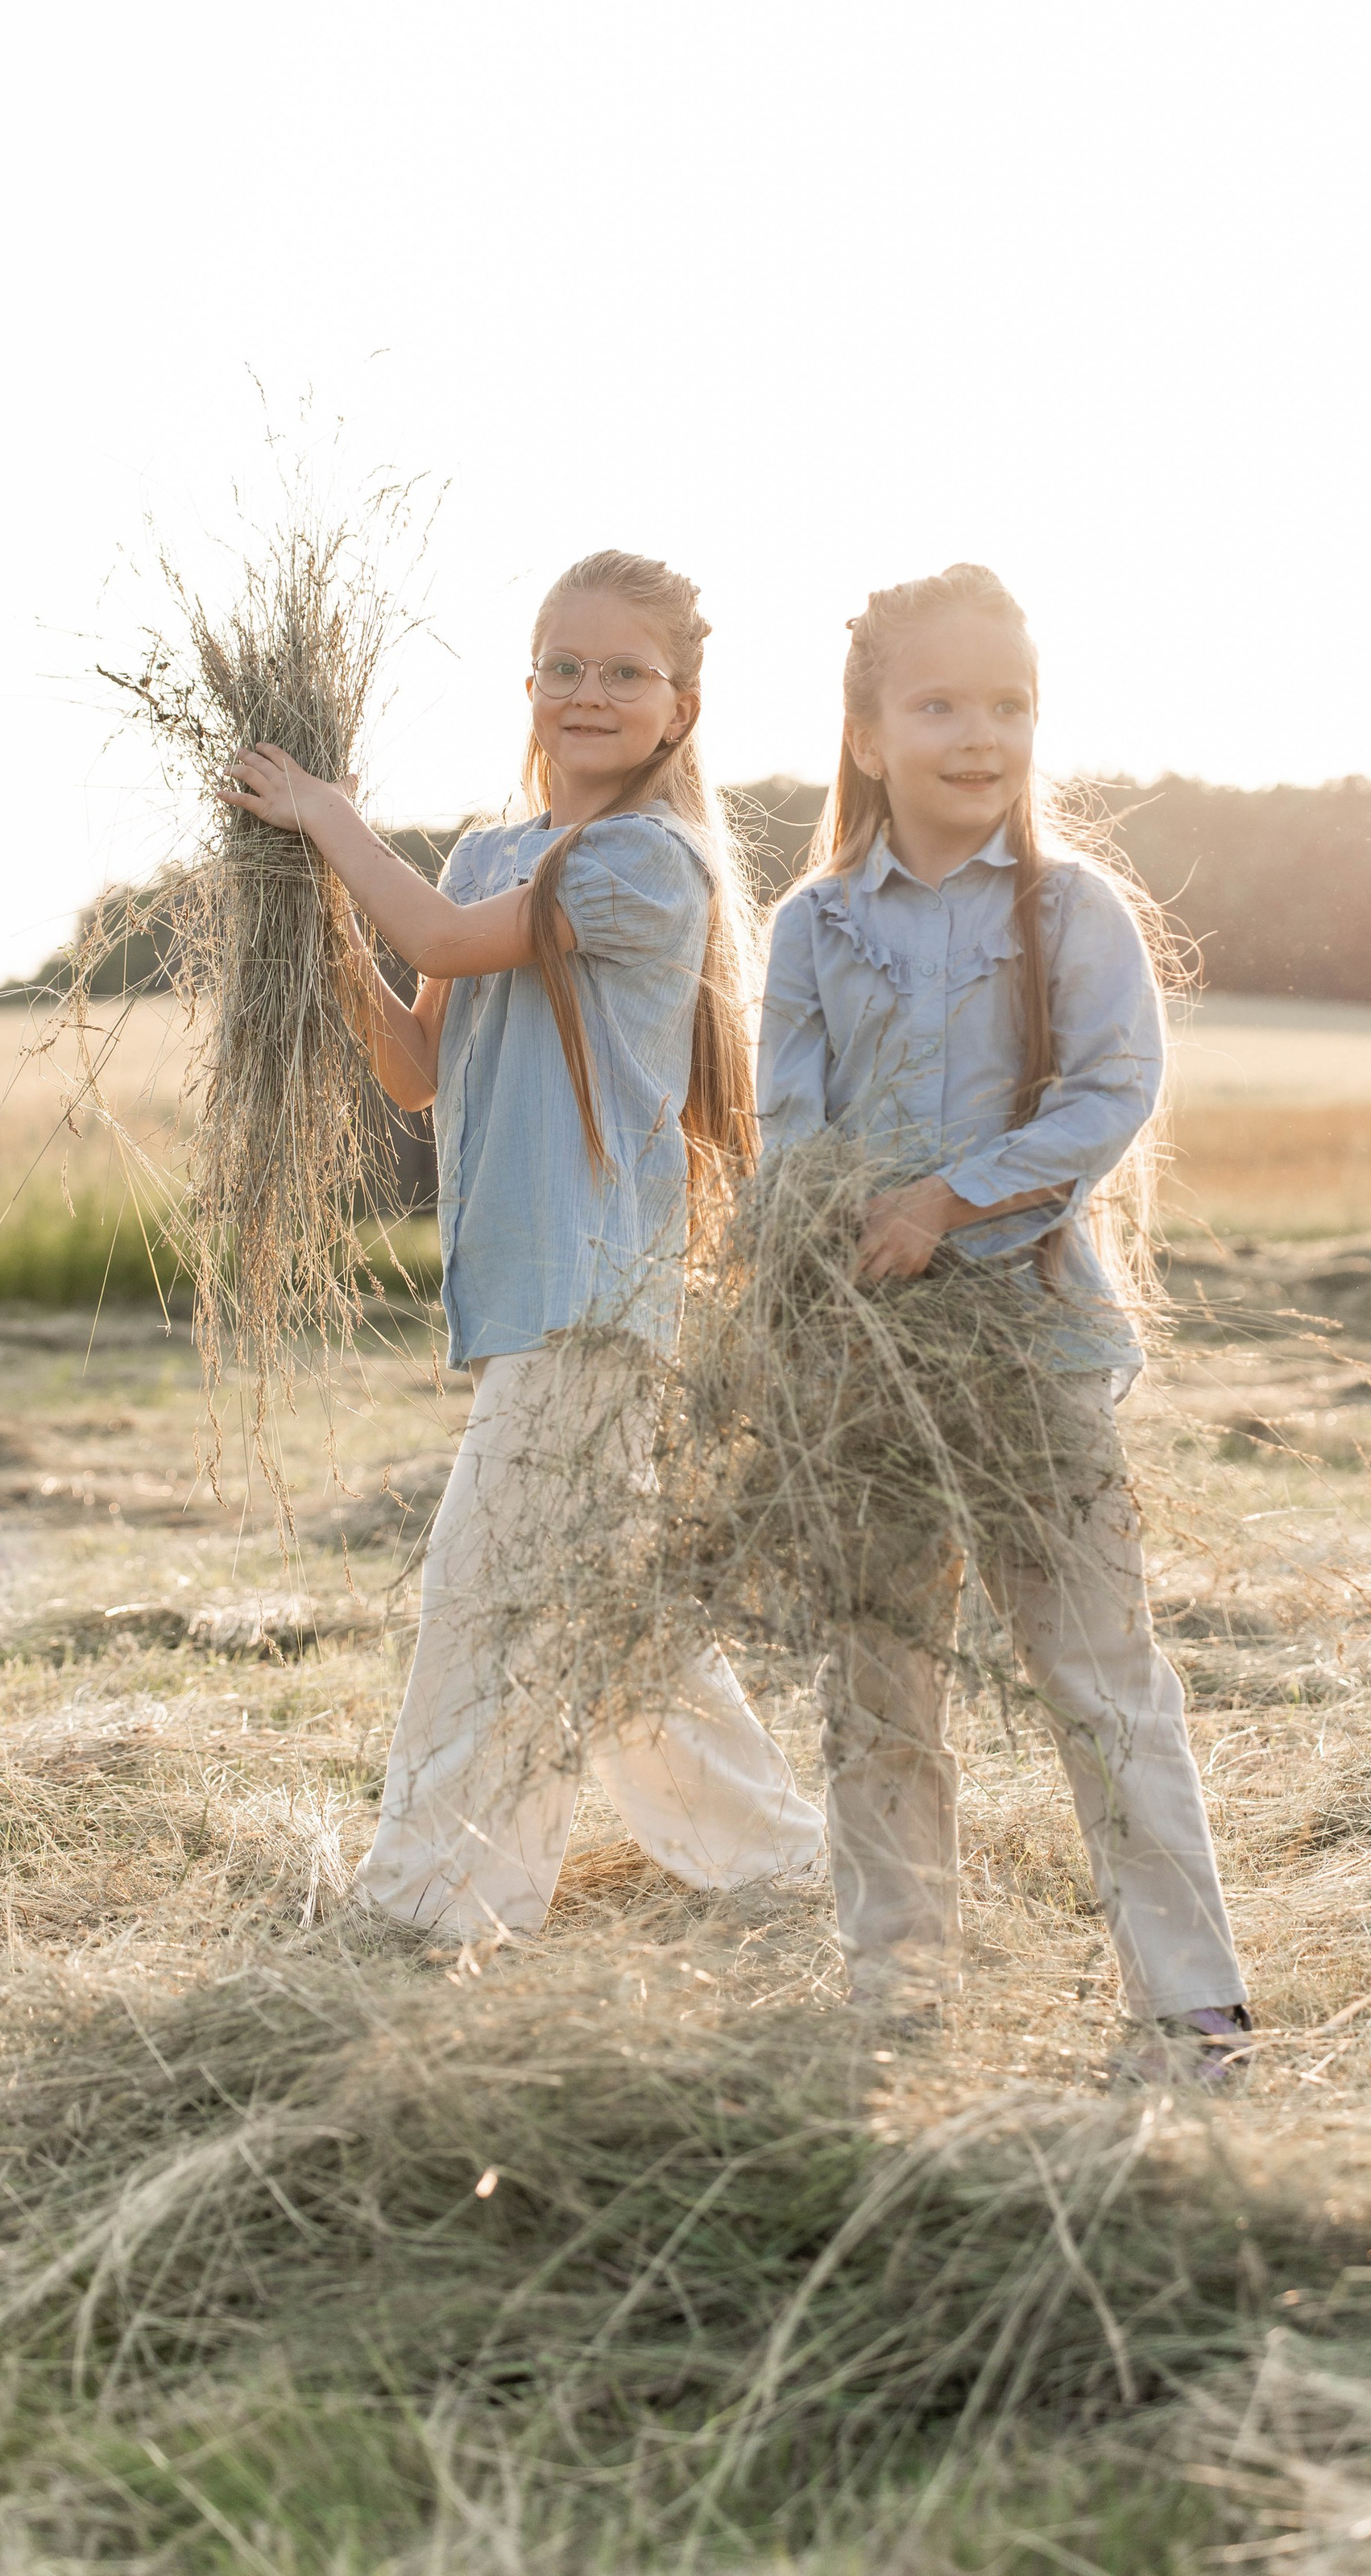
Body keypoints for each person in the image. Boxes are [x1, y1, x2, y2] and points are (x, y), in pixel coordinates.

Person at [224, 548, 824, 1938]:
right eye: (565, 667)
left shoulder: (647, 867)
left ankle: (432, 1908)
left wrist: (325, 818)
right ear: (532, 685)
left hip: (597, 1292)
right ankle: (783, 1867)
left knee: (482, 1594)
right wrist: (306, 915)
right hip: (520, 1283)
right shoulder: (490, 854)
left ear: (680, 707)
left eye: (626, 673)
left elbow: (430, 926)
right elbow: (416, 1068)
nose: (590, 693)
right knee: (614, 1627)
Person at [757, 563, 1249, 2081]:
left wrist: (948, 1204)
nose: (981, 736)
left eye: (1011, 706)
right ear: (867, 733)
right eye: (940, 705)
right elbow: (788, 1131)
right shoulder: (817, 924)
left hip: (1032, 1345)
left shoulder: (1073, 909)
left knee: (1098, 1669)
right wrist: (822, 1254)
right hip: (869, 1363)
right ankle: (897, 1997)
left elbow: (1112, 1091)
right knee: (879, 1670)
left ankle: (1191, 2009)